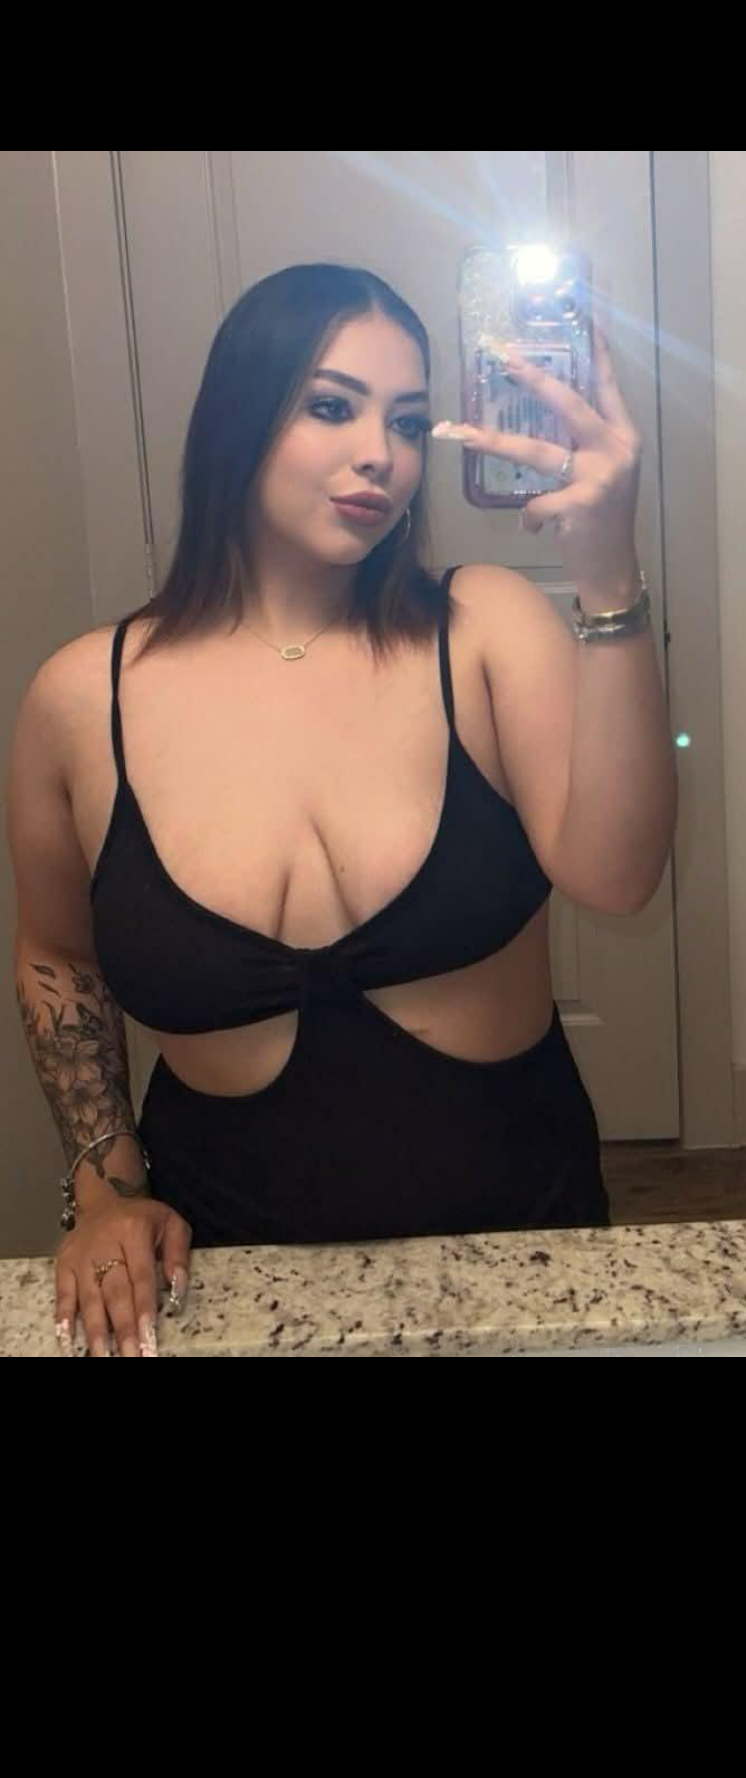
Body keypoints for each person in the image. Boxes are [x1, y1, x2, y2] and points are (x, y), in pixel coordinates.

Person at [9, 263, 677, 1356]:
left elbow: (618, 875)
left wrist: (609, 576)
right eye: (332, 406)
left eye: (408, 422)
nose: (383, 453)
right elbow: (58, 954)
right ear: (237, 417)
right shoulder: (83, 699)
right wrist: (106, 1190)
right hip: (219, 1280)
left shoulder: (484, 627)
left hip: (516, 1258)